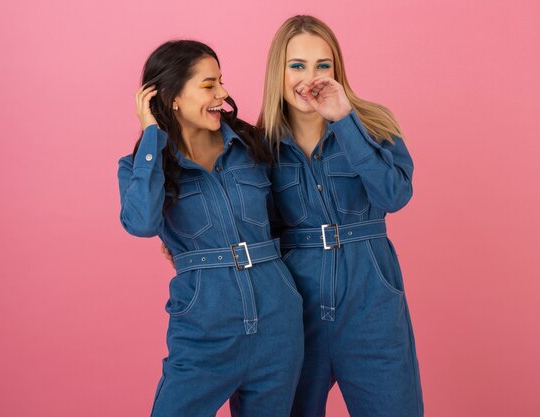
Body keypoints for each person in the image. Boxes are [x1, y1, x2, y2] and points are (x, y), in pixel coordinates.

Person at [117, 40, 304, 417]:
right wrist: (152, 136)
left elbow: (286, 224)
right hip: (204, 333)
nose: (223, 94)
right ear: (170, 97)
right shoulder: (140, 166)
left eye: (221, 82)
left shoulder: (252, 147)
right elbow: (141, 223)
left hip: (277, 328)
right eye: (208, 85)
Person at [258, 15, 424, 417]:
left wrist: (344, 121)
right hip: (294, 309)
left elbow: (393, 195)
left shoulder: (373, 124)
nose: (309, 77)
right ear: (278, 72)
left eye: (322, 65)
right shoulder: (257, 147)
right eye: (296, 65)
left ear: (337, 70)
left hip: (372, 302)